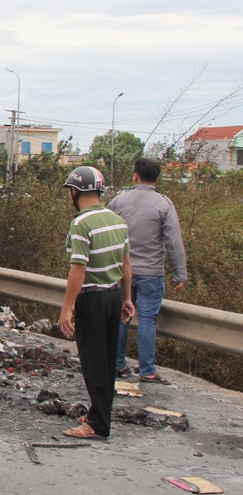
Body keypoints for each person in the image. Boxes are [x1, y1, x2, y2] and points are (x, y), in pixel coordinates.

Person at [58, 166, 135, 439]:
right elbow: (126, 263)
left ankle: (98, 424)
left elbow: (78, 269)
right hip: (114, 296)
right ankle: (99, 412)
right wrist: (126, 297)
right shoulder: (117, 220)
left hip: (92, 298)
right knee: (107, 359)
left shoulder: (81, 223)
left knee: (92, 361)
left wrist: (67, 307)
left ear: (75, 192)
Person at [108, 158, 188, 384]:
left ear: (135, 176)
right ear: (157, 179)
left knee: (121, 317)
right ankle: (147, 370)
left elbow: (104, 229)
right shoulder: (164, 204)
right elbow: (174, 241)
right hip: (151, 273)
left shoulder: (118, 201)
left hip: (121, 271)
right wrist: (180, 274)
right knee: (147, 320)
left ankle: (117, 364)